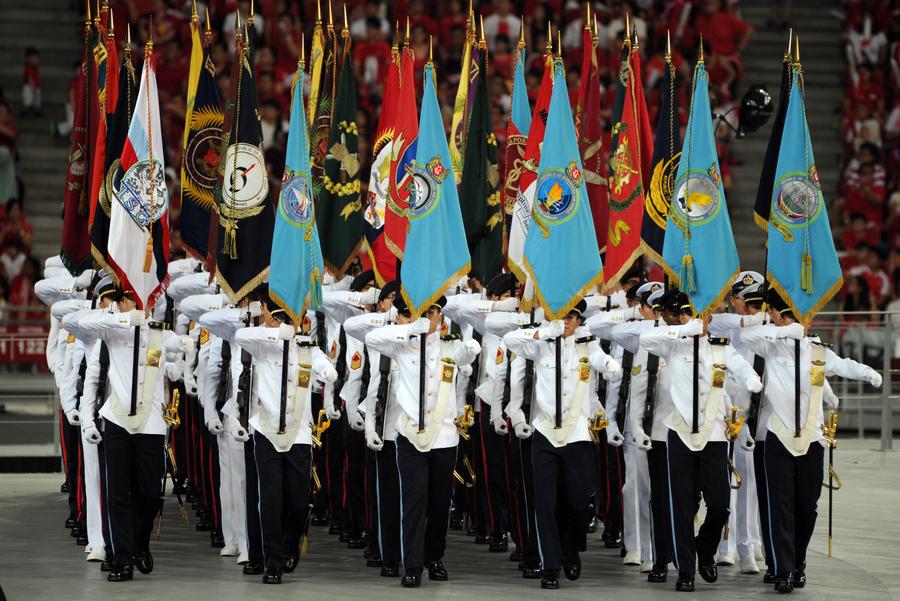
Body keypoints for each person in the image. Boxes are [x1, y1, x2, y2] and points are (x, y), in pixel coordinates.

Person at [741, 290, 882, 593]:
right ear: (778, 318)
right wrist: (787, 329)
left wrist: (868, 373)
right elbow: (749, 336)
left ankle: (798, 562)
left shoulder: (817, 351)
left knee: (807, 506)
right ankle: (782, 570)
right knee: (780, 506)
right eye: (789, 317)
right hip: (779, 436)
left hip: (812, 437)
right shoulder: (772, 348)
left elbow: (843, 365)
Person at [639, 293, 762, 592]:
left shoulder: (721, 349)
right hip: (680, 434)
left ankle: (704, 549)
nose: (700, 321)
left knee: (720, 504)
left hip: (714, 435)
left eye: (704, 317)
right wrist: (682, 330)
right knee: (681, 504)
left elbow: (741, 367)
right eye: (691, 315)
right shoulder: (673, 343)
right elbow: (646, 340)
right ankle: (685, 571)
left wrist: (751, 379)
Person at [504, 299, 622, 590]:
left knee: (581, 502)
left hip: (577, 433)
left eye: (572, 317)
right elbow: (509, 339)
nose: (567, 321)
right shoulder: (540, 343)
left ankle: (571, 547)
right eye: (562, 316)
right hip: (545, 431)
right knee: (545, 503)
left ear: (579, 319)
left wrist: (610, 365)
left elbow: (603, 362)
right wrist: (546, 331)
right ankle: (550, 565)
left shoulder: (587, 345)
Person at [365, 294, 481, 588]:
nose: (429, 318)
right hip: (410, 436)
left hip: (443, 438)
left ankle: (434, 557)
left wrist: (470, 346)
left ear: (441, 318)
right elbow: (372, 338)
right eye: (423, 313)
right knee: (413, 502)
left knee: (441, 503)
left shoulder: (450, 347)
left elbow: (467, 354)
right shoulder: (402, 345)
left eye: (433, 313)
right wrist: (410, 328)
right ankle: (413, 564)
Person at [73, 292, 184, 582]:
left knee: (150, 492)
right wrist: (122, 319)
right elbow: (78, 323)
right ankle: (122, 558)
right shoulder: (112, 328)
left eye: (141, 302)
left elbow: (186, 346)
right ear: (121, 304)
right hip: (117, 419)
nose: (136, 307)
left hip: (150, 424)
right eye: (129, 301)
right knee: (117, 493)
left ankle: (140, 541)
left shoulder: (161, 335)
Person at [236, 298, 337, 584]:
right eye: (274, 314)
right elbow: (240, 335)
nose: (279, 320)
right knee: (269, 500)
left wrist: (327, 371)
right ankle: (273, 563)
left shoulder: (307, 348)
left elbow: (321, 362)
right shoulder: (261, 343)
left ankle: (291, 545)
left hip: (298, 434)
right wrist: (275, 333)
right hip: (267, 430)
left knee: (297, 501)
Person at [22, 47, 41, 116]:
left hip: (35, 86)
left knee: (36, 100)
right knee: (28, 100)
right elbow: (30, 78)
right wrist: (33, 86)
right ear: (29, 59)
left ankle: (36, 111)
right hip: (30, 87)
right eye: (35, 58)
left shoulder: (35, 68)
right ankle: (25, 112)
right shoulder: (29, 69)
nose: (37, 60)